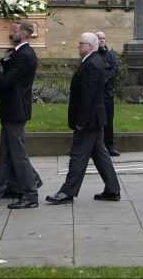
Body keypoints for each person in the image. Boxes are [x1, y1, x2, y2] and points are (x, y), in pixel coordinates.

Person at [46, 32, 121, 205]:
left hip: (88, 120)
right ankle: (112, 189)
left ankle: (67, 192)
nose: (78, 46)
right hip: (94, 119)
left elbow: (88, 96)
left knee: (78, 156)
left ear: (90, 46)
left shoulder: (92, 64)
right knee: (101, 155)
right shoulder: (91, 62)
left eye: (81, 43)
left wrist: (81, 122)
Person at [0, 22, 41, 209]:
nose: (12, 33)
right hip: (11, 110)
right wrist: (5, 60)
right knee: (5, 155)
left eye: (15, 30)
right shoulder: (19, 53)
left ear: (26, 33)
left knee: (18, 155)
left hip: (15, 111)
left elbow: (6, 81)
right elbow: (12, 69)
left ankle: (30, 193)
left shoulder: (26, 55)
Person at [96, 31, 120, 156]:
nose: (102, 40)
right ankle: (96, 147)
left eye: (103, 38)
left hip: (107, 94)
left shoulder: (110, 55)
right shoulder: (93, 55)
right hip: (95, 95)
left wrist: (104, 80)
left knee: (108, 121)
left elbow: (114, 69)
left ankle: (109, 145)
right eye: (99, 38)